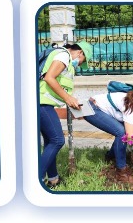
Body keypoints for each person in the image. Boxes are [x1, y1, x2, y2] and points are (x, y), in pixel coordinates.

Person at [82, 85, 133, 184]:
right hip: (92, 109)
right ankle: (122, 173)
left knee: (123, 131)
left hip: (97, 107)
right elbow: (130, 138)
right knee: (122, 133)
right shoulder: (131, 104)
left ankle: (110, 157)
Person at [38, 41, 93, 188]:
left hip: (43, 103)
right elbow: (49, 78)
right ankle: (36, 179)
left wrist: (70, 99)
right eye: (83, 61)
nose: (80, 65)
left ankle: (53, 179)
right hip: (41, 103)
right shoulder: (63, 55)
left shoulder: (64, 57)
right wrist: (68, 98)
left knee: (51, 141)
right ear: (80, 53)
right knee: (57, 140)